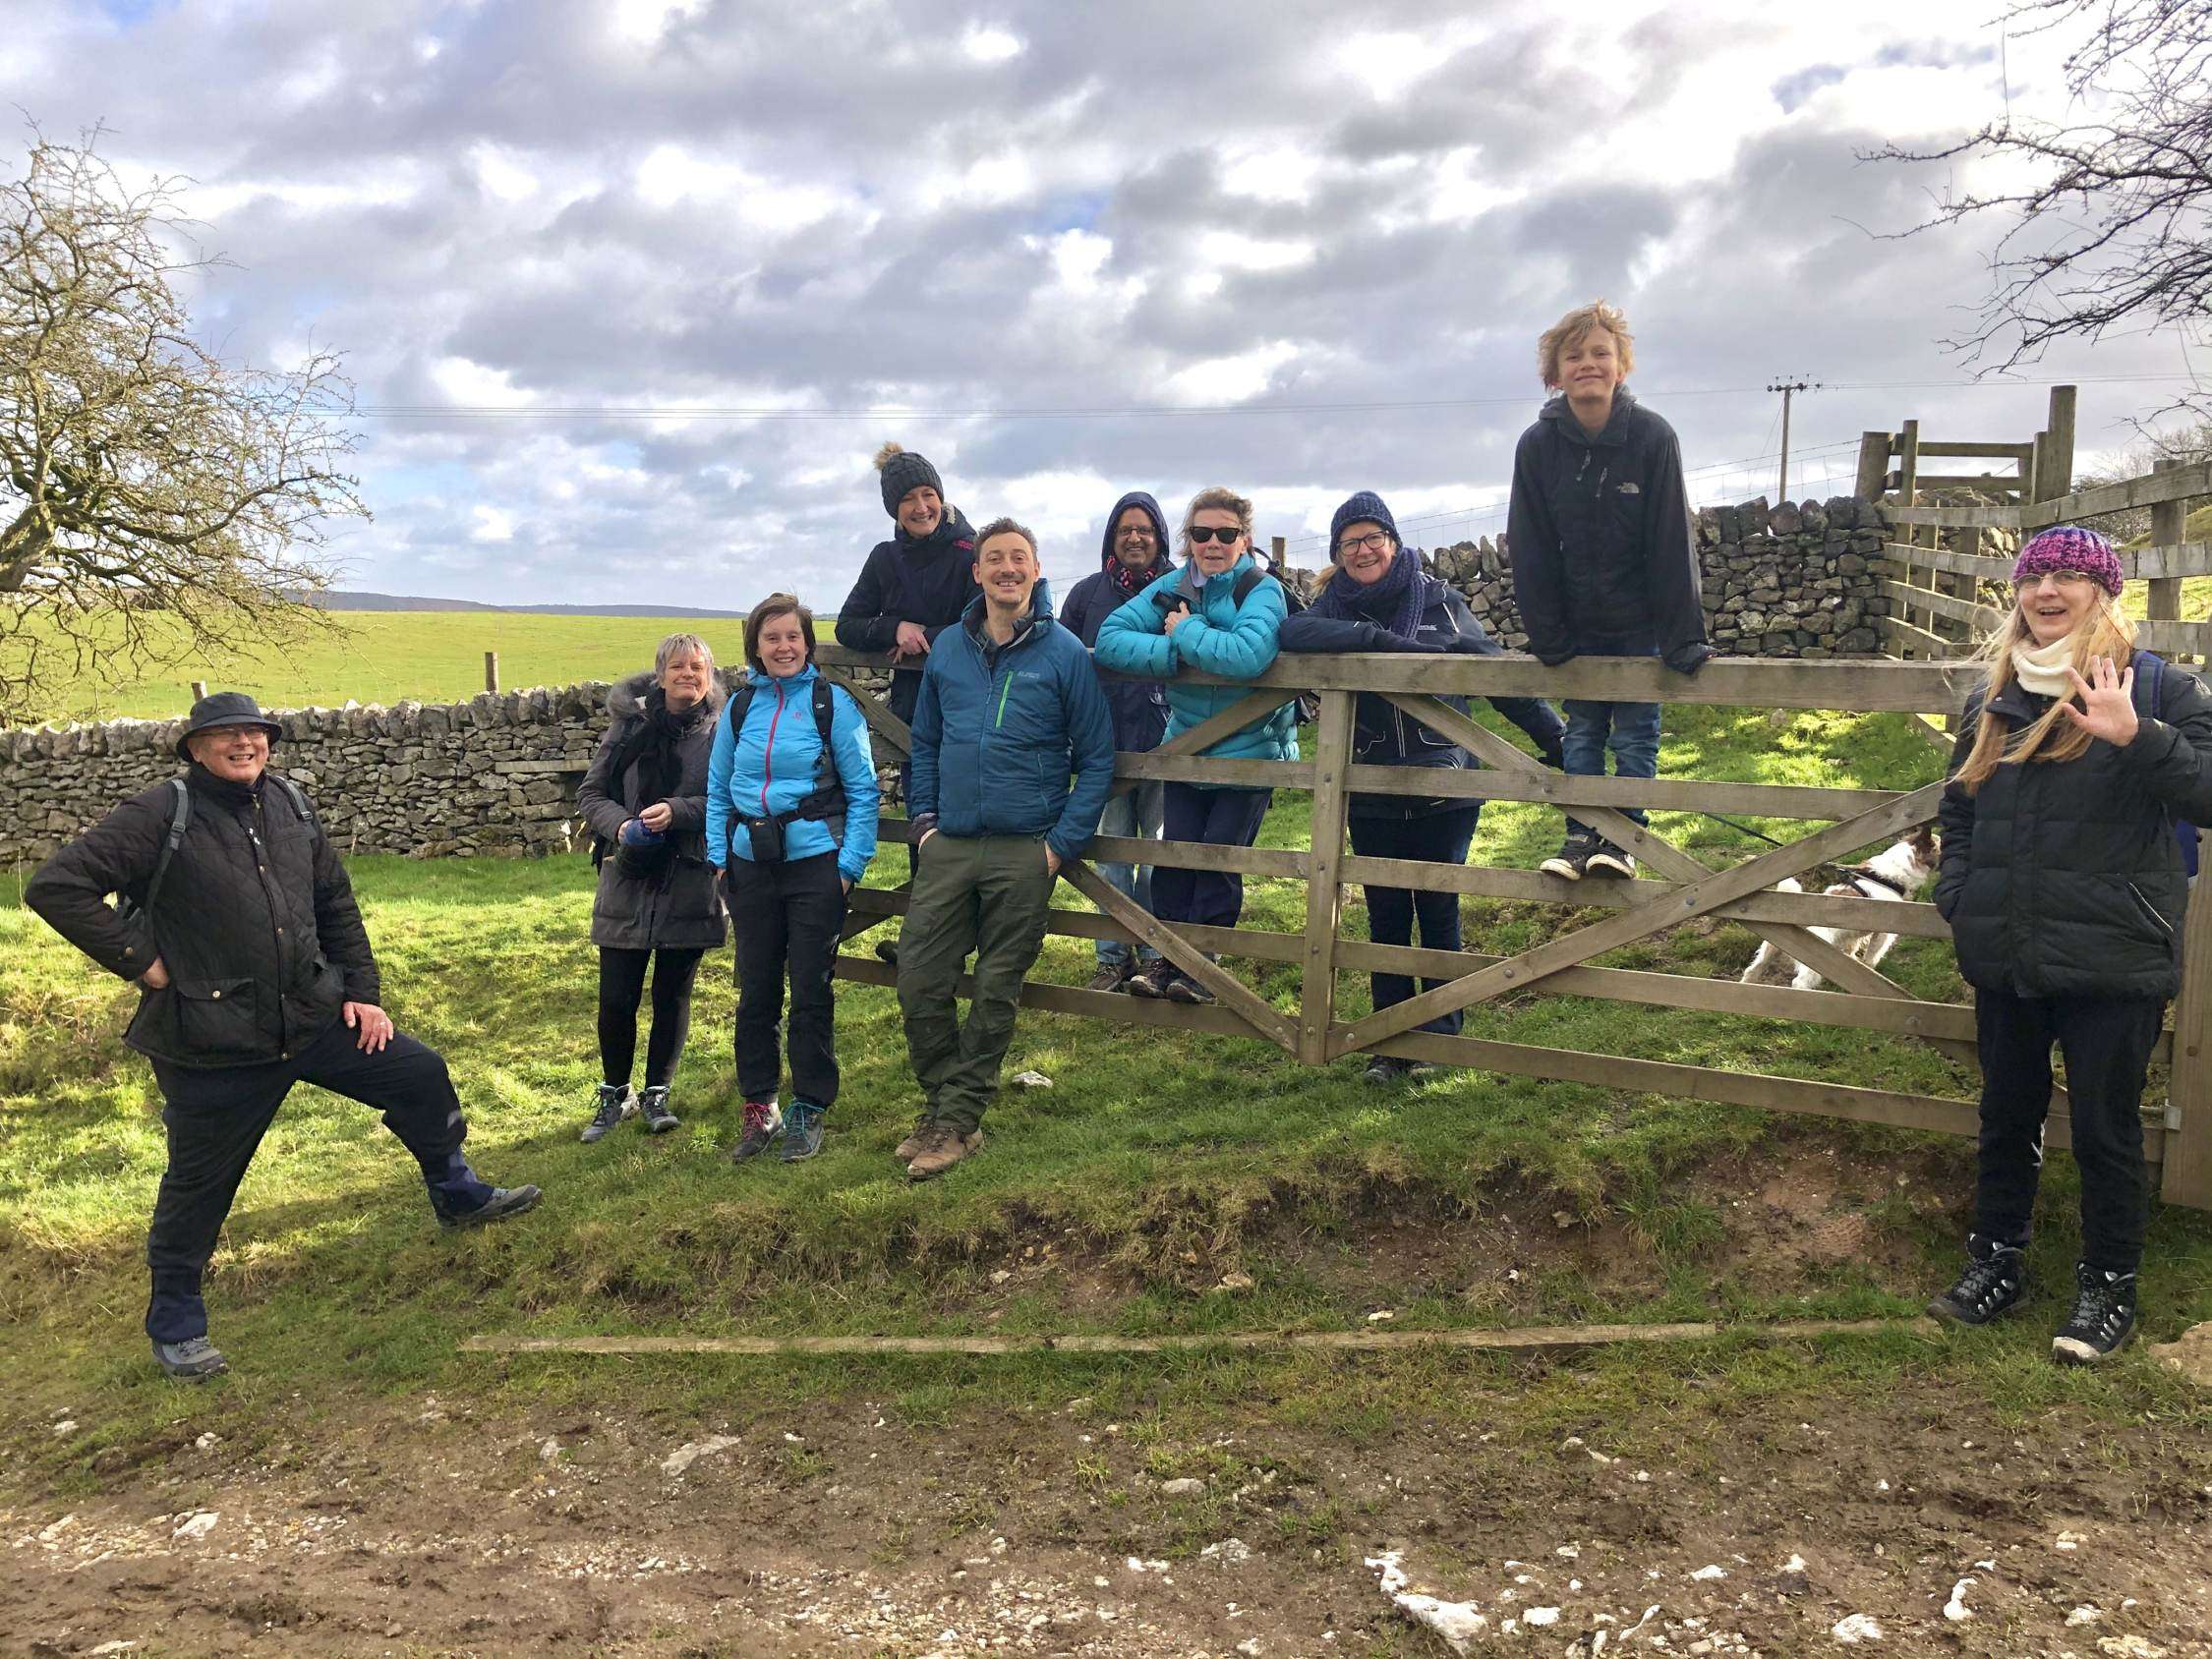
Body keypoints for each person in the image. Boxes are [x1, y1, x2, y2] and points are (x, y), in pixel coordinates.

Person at [23, 692, 541, 1381]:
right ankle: (176, 1322)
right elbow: (57, 886)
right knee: (200, 1184)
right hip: (212, 1041)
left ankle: (456, 1191)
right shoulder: (160, 813)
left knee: (419, 1075)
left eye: (255, 733)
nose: (245, 744)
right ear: (196, 748)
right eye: (226, 735)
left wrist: (363, 995)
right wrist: (141, 962)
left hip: (312, 1016)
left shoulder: (291, 806)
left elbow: (335, 903)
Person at [1928, 526, 2212, 1364]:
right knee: (2005, 1113)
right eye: (2033, 577)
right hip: (2009, 946)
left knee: (2106, 1127)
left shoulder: (2157, 686)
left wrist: (2138, 737)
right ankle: (1996, 1261)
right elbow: (1960, 808)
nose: (2047, 591)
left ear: (2103, 591)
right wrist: (1963, 898)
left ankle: (2107, 1285)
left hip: (2113, 952)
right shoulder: (1996, 694)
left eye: (2068, 576)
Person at [1281, 491, 1566, 1082]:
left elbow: (1495, 675)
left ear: (1392, 541)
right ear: (1337, 553)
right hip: (1370, 786)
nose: (1362, 551)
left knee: (1438, 907)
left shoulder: (1441, 600)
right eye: (1349, 542)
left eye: (1372, 538)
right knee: (1385, 913)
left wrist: (1562, 743)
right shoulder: (1328, 611)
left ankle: (1440, 1039)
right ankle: (1391, 1044)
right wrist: (1375, 641)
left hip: (1446, 783)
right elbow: (1292, 633)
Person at [897, 518, 1114, 1179]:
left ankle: (956, 1124)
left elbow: (1097, 757)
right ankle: (944, 1107)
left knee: (995, 988)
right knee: (918, 979)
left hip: (1026, 846)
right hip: (951, 844)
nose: (1007, 569)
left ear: (1037, 570)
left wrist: (1060, 846)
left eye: (1019, 558)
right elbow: (925, 743)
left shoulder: (1066, 654)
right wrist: (926, 823)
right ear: (978, 572)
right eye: (995, 559)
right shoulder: (948, 652)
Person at [1505, 299, 1712, 883]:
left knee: (1637, 732)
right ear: (1555, 373)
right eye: (1574, 356)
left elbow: (1671, 537)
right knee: (1584, 732)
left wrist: (1682, 639)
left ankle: (1621, 840)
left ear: (1622, 366)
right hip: (1576, 627)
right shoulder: (1537, 447)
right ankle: (1580, 839)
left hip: (1640, 623)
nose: (1587, 364)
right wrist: (1548, 635)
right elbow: (1531, 542)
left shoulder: (1651, 437)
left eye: (1601, 353)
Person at [1094, 486, 1298, 1004]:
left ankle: (1202, 968)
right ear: (1188, 539)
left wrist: (1188, 630)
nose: (1213, 542)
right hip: (1185, 747)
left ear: (1244, 539)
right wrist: (1173, 655)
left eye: (1225, 534)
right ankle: (1167, 960)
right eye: (1202, 532)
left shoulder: (1261, 590)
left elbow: (1249, 654)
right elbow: (1112, 637)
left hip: (1250, 752)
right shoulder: (1172, 584)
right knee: (1176, 858)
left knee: (1217, 862)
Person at [706, 595, 881, 1164]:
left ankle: (809, 1104)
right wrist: (718, 859)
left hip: (815, 867)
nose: (783, 647)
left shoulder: (833, 706)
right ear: (755, 647)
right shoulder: (738, 709)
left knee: (809, 989)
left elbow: (863, 792)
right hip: (748, 866)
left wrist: (848, 867)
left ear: (807, 643)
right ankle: (759, 1106)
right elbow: (717, 789)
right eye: (771, 638)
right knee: (755, 990)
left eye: (793, 637)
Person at [574, 633, 728, 1142]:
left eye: (698, 667)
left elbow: (732, 797)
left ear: (710, 675)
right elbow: (591, 793)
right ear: (659, 675)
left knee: (672, 994)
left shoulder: (724, 731)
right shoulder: (628, 727)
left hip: (690, 876)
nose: (689, 674)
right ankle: (614, 1093)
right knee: (617, 996)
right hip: (628, 874)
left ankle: (657, 1093)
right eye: (679, 666)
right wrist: (620, 827)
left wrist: (678, 812)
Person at [836, 440, 979, 955]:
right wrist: (894, 626)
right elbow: (848, 624)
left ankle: (960, 936)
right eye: (908, 500)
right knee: (924, 816)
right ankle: (926, 937)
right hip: (912, 712)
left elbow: (984, 618)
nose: (922, 507)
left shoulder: (972, 550)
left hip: (967, 704)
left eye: (928, 494)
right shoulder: (885, 558)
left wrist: (927, 637)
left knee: (965, 816)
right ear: (892, 509)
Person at [1060, 490, 1174, 992]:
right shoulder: (1087, 594)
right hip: (1101, 742)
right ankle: (1112, 957)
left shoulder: (1181, 589)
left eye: (1144, 530)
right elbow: (1061, 659)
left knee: (1156, 853)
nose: (1135, 538)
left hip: (1167, 741)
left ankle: (1153, 954)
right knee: (1110, 856)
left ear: (1159, 537)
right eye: (1125, 529)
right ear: (1111, 537)